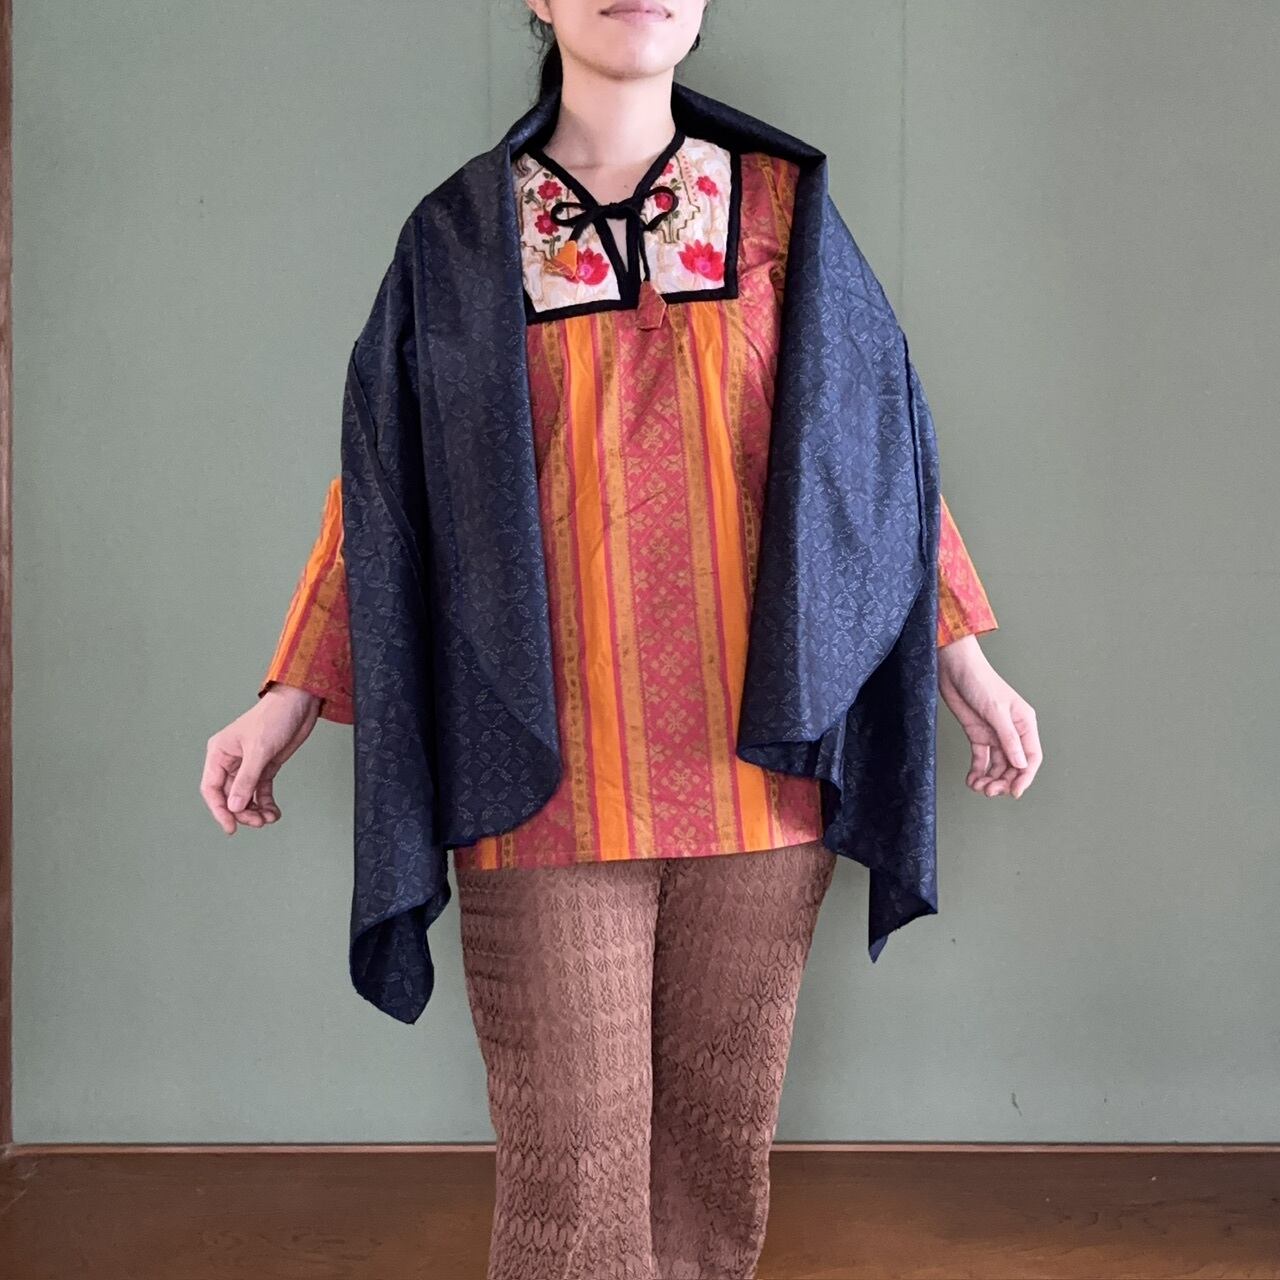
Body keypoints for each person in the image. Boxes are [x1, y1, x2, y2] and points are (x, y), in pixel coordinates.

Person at [201, 2, 1042, 1276]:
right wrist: (290, 692)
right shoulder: (456, 238)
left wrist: (960, 653)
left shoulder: (782, 214)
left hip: (758, 779)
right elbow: (384, 488)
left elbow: (870, 462)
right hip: (540, 778)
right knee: (570, 1195)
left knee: (712, 1173)